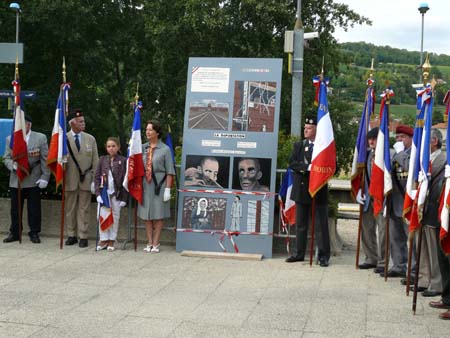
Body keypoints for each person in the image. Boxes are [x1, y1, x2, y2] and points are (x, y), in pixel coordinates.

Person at [285, 116, 330, 267]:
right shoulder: (299, 145)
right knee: (301, 224)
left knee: (320, 225)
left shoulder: (323, 146)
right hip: (302, 190)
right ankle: (299, 253)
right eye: (305, 127)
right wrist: (308, 167)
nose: (305, 130)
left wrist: (318, 170)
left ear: (317, 130)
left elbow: (331, 166)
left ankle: (323, 255)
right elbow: (292, 163)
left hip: (318, 191)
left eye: (309, 128)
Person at [3, 114, 50, 244]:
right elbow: (6, 157)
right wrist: (12, 165)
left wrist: (45, 177)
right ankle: (15, 232)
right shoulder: (10, 139)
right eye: (22, 125)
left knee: (34, 209)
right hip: (16, 179)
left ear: (30, 125)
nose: (25, 127)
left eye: (27, 124)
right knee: (15, 209)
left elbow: (45, 159)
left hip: (33, 178)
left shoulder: (40, 138)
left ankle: (34, 232)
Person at [416, 129, 445, 296]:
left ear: (434, 141)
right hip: (423, 209)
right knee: (424, 249)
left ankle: (437, 284)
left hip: (434, 210)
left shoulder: (443, 160)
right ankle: (424, 279)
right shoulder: (424, 159)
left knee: (434, 251)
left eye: (426, 140)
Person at [138, 120, 175, 253]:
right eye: (146, 130)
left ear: (157, 132)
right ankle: (149, 241)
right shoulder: (143, 147)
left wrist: (168, 189)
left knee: (158, 214)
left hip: (159, 184)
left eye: (150, 130)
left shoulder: (165, 149)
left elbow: (170, 171)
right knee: (146, 214)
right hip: (145, 185)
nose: (147, 132)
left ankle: (156, 242)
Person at [65, 109, 99, 248]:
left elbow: (95, 160)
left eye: (83, 121)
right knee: (70, 208)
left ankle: (83, 235)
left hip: (86, 178)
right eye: (80, 122)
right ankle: (71, 235)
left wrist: (94, 180)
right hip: (69, 178)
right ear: (72, 123)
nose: (83, 123)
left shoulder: (90, 139)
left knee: (84, 208)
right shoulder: (63, 138)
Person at [356, 127, 387, 272]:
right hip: (368, 198)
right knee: (366, 229)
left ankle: (383, 262)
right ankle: (371, 258)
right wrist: (360, 191)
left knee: (382, 231)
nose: (371, 141)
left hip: (381, 199)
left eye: (374, 139)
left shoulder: (387, 155)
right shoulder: (368, 155)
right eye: (370, 139)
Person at [385, 124, 413, 278]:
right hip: (394, 201)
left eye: (402, 137)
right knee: (396, 237)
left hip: (408, 202)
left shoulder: (413, 154)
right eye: (397, 137)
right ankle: (398, 265)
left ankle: (414, 270)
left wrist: (401, 153)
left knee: (412, 239)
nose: (399, 140)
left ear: (410, 138)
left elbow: (409, 167)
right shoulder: (394, 154)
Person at [94, 137, 128, 251]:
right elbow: (97, 177)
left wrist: (124, 198)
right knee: (103, 215)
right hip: (104, 194)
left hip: (116, 194)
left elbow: (125, 180)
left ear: (118, 147)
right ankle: (103, 239)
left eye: (113, 146)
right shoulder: (102, 159)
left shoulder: (123, 160)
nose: (111, 148)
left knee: (115, 217)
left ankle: (112, 239)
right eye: (109, 146)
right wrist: (98, 194)